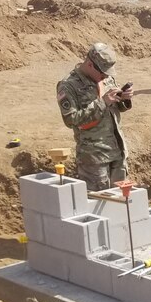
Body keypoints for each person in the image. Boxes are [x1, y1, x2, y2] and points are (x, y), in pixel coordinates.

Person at [56, 42, 132, 191]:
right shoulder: (68, 86)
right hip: (94, 158)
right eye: (103, 72)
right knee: (99, 202)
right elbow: (71, 120)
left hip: (117, 152)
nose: (105, 76)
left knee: (122, 201)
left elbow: (114, 108)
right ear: (90, 65)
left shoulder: (105, 78)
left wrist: (124, 99)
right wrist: (102, 102)